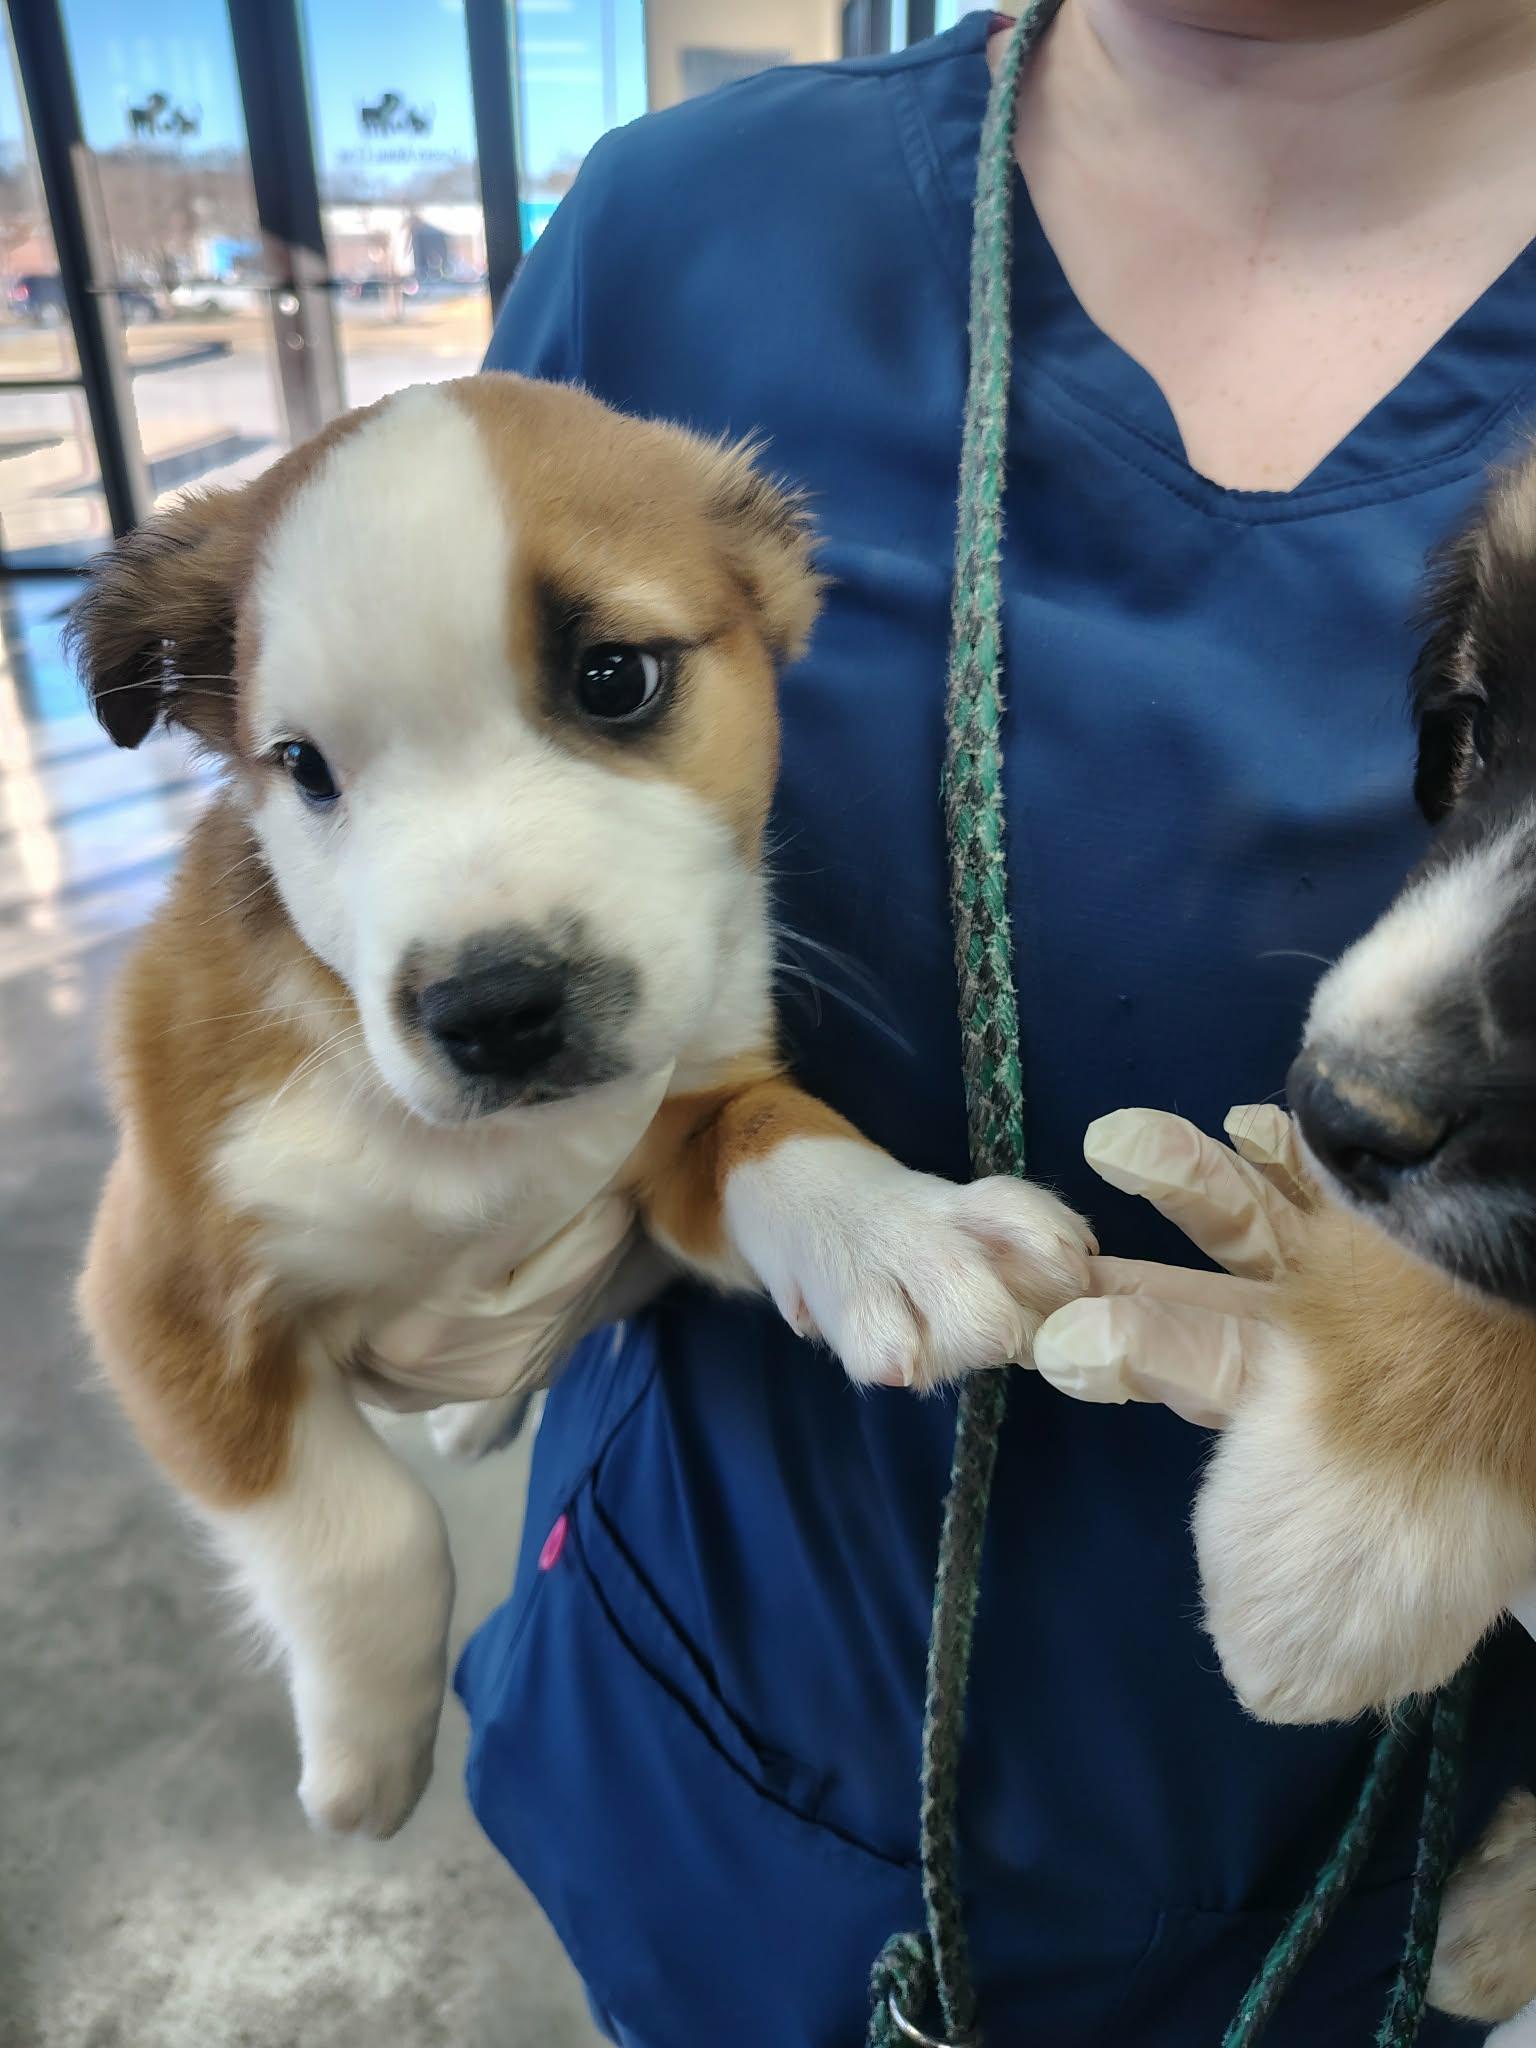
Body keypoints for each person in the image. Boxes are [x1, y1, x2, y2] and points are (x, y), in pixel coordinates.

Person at [455, 5, 1536, 2041]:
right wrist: (381, 1172)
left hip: (1374, 1887)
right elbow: (370, 812)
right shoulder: (678, 228)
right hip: (723, 1764)